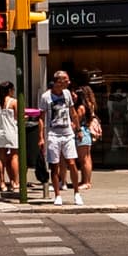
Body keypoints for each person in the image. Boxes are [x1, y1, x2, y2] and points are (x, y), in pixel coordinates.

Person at [40, 69, 80, 206]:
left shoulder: (67, 94)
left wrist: (78, 128)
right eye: (66, 80)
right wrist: (41, 137)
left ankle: (76, 193)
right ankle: (57, 195)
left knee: (72, 162)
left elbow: (73, 112)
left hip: (67, 133)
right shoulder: (46, 97)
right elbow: (41, 118)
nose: (68, 82)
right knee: (54, 165)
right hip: (53, 134)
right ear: (58, 81)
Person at [72, 82, 99, 200]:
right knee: (87, 158)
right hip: (86, 132)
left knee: (84, 159)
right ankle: (85, 180)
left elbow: (76, 122)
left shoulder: (81, 108)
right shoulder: (90, 105)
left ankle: (86, 182)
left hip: (82, 133)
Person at [0, 85, 20, 197]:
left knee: (1, 157)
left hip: (1, 132)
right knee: (14, 156)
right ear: (10, 90)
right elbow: (18, 116)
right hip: (11, 131)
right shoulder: (14, 102)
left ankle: (2, 182)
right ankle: (16, 182)